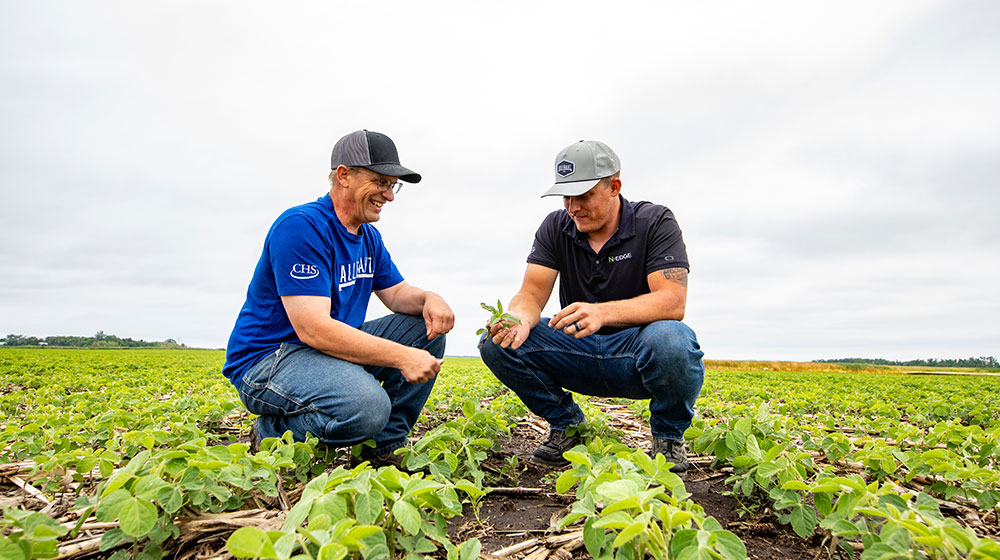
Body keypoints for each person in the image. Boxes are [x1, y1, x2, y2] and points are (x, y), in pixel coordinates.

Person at [222, 129, 454, 468]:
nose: (388, 196)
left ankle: (384, 448)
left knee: (425, 328)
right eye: (380, 182)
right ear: (344, 176)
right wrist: (402, 356)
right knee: (368, 407)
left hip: (320, 353)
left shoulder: (368, 237)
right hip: (269, 359)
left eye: (393, 185)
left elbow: (397, 294)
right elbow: (313, 329)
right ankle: (273, 431)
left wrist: (430, 298)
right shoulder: (301, 227)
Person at [478, 140, 704, 473]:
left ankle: (668, 439)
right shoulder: (555, 227)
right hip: (577, 348)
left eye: (583, 196)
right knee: (497, 341)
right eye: (566, 197)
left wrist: (602, 312)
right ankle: (567, 427)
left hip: (636, 351)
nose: (573, 207)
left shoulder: (654, 221)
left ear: (615, 187)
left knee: (674, 339)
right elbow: (531, 293)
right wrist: (519, 319)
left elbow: (672, 299)